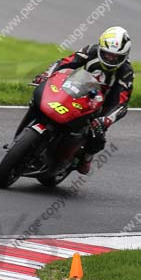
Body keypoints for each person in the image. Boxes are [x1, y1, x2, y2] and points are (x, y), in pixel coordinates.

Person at [22, 26, 134, 174]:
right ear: (100, 48)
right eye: (107, 54)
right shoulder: (91, 50)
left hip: (101, 107)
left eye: (116, 57)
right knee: (39, 97)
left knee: (96, 134)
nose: (111, 59)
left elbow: (122, 104)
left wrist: (106, 119)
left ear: (124, 56)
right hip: (78, 90)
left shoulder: (126, 72)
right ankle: (24, 132)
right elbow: (64, 62)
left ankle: (87, 157)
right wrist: (46, 75)